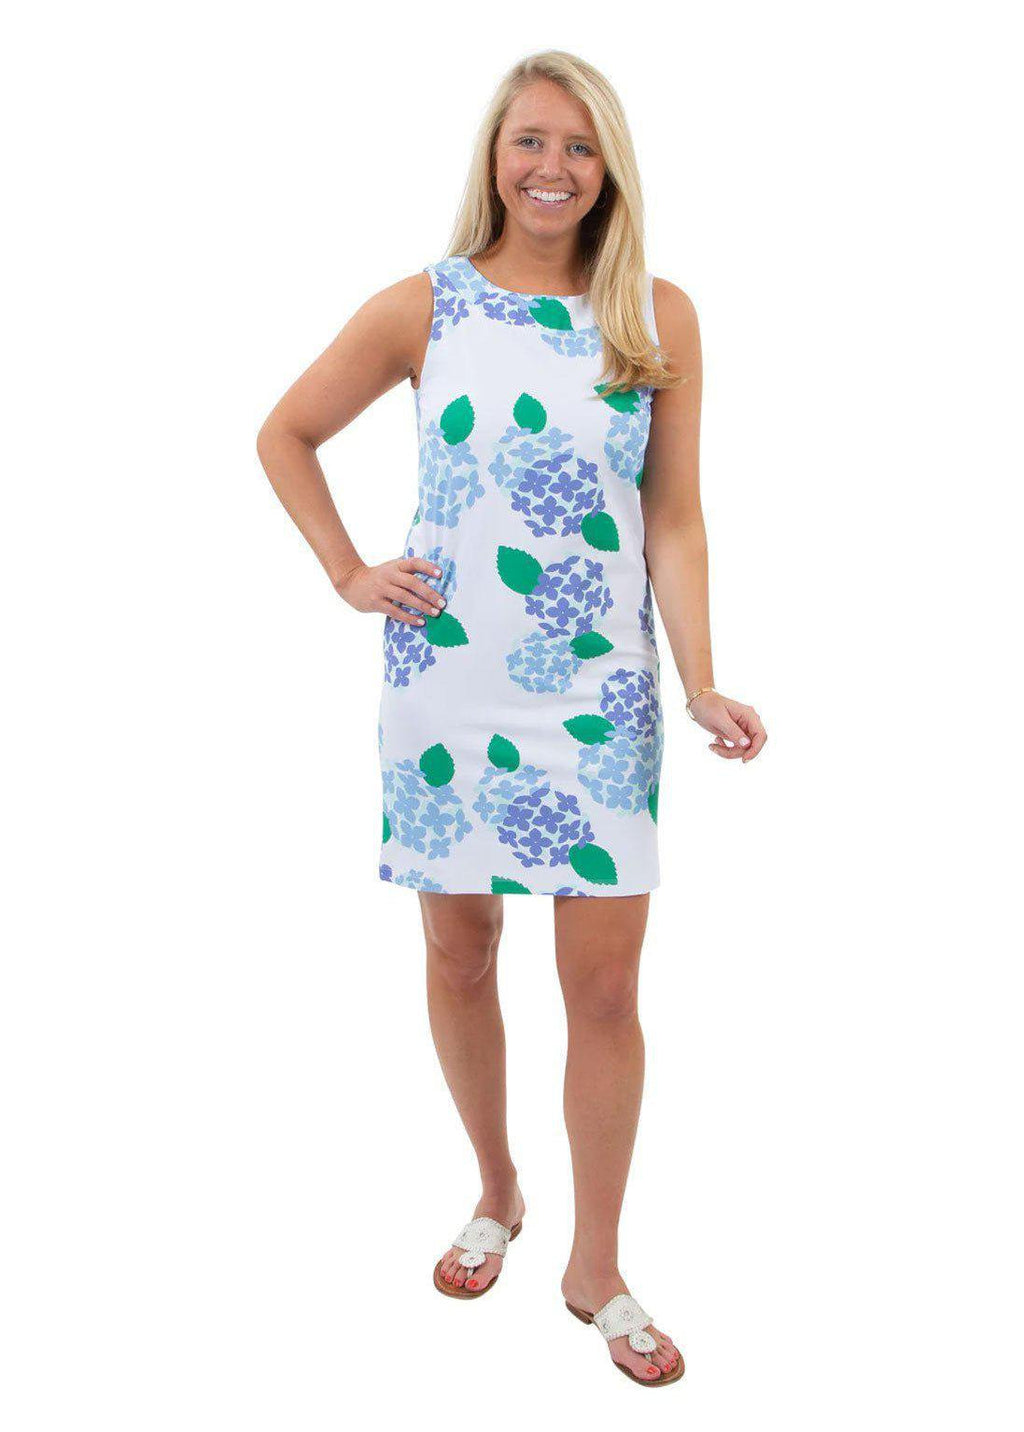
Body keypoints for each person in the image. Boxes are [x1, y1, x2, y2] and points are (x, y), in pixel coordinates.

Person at [257, 48, 766, 1387]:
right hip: (446, 685)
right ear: (495, 154)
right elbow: (285, 434)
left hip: (597, 694)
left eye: (580, 147)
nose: (552, 168)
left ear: (610, 171)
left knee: (603, 989)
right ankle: (496, 1188)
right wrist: (349, 572)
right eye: (531, 140)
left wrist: (701, 680)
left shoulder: (653, 313)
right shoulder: (424, 305)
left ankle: (596, 1264)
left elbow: (674, 517)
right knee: (460, 954)